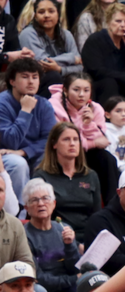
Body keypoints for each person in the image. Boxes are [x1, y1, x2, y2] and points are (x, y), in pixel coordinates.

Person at [47, 72, 119, 203]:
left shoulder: (96, 108)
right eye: (76, 90)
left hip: (84, 153)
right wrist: (91, 143)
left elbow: (102, 140)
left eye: (86, 90)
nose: (81, 95)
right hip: (62, 152)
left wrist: (88, 123)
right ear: (65, 90)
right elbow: (62, 138)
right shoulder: (53, 106)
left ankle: (112, 205)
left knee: (107, 159)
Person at [32, 121, 101, 242]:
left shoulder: (90, 175)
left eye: (76, 139)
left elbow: (97, 216)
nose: (72, 144)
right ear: (54, 144)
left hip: (88, 238)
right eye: (66, 139)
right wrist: (74, 244)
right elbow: (40, 217)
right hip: (56, 237)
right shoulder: (42, 176)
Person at [0, 58, 57, 203]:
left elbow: (50, 139)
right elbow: (10, 142)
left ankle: (47, 209)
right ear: (12, 81)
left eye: (35, 77)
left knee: (50, 158)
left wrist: (24, 151)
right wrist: (25, 111)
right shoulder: (2, 103)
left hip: (29, 153)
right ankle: (21, 214)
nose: (31, 81)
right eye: (25, 77)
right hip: (4, 155)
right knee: (18, 163)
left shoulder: (44, 104)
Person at [22, 178, 79, 292]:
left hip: (69, 285)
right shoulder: (24, 235)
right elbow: (38, 278)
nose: (41, 203)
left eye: (45, 198)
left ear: (53, 204)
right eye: (34, 200)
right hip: (46, 290)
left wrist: (70, 246)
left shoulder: (63, 228)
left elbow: (75, 268)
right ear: (27, 208)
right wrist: (73, 279)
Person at [20, 0, 82, 91]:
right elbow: (42, 63)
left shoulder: (66, 34)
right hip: (36, 80)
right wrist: (72, 58)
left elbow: (80, 67)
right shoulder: (28, 34)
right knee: (53, 75)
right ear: (35, 16)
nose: (46, 15)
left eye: (51, 11)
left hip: (64, 77)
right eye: (41, 12)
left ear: (58, 14)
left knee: (83, 80)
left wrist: (60, 69)